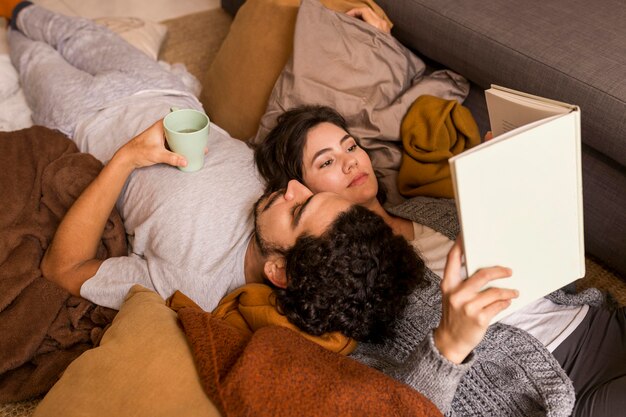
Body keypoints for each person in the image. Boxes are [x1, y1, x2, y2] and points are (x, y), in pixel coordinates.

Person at [2, 1, 427, 341]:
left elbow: (64, 269)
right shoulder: (281, 201)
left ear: (280, 271)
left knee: (31, 55)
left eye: (299, 209)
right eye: (312, 193)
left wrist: (127, 157)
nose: (294, 188)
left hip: (86, 118)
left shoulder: (191, 286)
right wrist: (374, 39)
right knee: (73, 32)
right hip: (162, 90)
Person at [254, 104, 626, 417]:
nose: (351, 163)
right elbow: (395, 403)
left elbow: (544, 272)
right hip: (563, 389)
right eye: (327, 162)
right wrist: (447, 345)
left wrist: (518, 188)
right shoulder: (351, 302)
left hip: (599, 321)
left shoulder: (430, 209)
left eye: (350, 147)